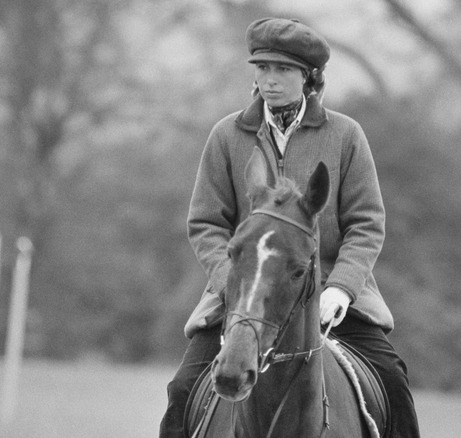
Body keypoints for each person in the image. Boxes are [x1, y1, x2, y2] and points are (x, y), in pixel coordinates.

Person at [160, 17, 420, 438]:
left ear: (309, 78)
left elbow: (367, 224)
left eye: (283, 70)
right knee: (182, 389)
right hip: (243, 298)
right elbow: (206, 222)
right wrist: (234, 284)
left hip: (334, 300)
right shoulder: (226, 136)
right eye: (262, 68)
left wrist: (342, 287)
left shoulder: (346, 136)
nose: (270, 80)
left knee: (393, 382)